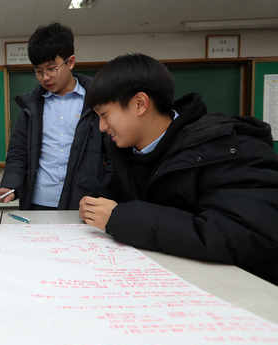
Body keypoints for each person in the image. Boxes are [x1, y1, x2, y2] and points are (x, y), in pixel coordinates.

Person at [79, 53, 278, 285]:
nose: (102, 127)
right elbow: (125, 199)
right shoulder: (133, 153)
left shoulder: (226, 148)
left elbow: (240, 237)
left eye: (104, 115)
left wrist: (119, 218)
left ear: (140, 104)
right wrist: (97, 203)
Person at [0, 22, 111, 211]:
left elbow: (111, 158)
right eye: (39, 71)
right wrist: (10, 185)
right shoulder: (31, 107)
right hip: (38, 203)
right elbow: (18, 154)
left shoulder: (97, 103)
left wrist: (103, 192)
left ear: (70, 62)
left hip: (84, 203)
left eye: (51, 68)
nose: (45, 77)